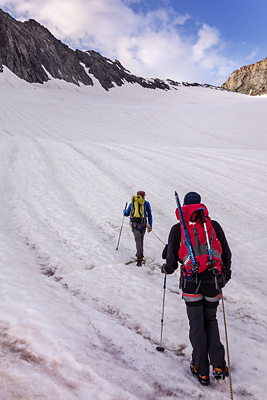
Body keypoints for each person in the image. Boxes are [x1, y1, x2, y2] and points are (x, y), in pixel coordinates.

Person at [161, 191, 232, 386]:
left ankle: (201, 370)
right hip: (213, 282)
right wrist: (225, 276)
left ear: (184, 207)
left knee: (197, 325)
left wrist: (166, 268)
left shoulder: (178, 229)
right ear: (201, 205)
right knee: (211, 320)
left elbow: (172, 263)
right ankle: (218, 365)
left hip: (191, 284)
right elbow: (226, 253)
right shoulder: (213, 226)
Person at [124, 191, 152, 266]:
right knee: (141, 240)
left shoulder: (133, 203)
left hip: (134, 224)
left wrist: (124, 212)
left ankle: (139, 257)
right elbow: (149, 214)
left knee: (138, 240)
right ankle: (139, 256)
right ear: (143, 196)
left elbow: (127, 214)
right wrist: (150, 225)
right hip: (143, 224)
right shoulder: (146, 203)